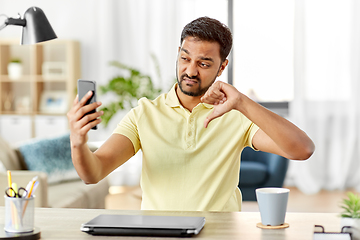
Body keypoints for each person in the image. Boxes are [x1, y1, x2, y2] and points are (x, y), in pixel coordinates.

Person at [67, 16, 315, 212]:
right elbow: (93, 173)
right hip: (160, 233)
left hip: (220, 233)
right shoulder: (144, 113)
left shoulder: (236, 114)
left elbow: (302, 149)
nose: (190, 70)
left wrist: (241, 101)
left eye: (204, 63)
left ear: (222, 66)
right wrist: (78, 142)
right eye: (185, 58)